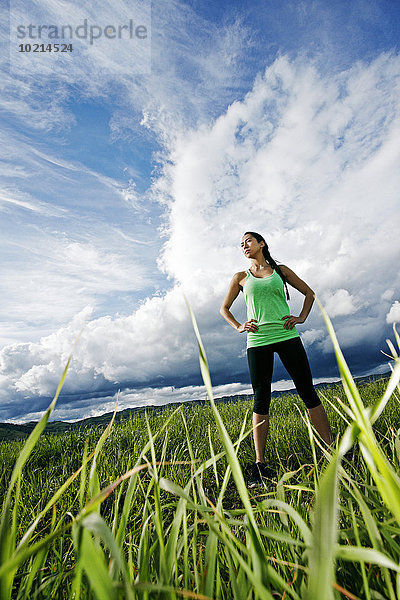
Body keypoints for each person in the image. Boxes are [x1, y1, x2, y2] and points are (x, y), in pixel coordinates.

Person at [220, 231, 332, 488]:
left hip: (286, 335)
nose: (244, 245)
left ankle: (330, 449)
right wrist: (238, 326)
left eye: (248, 240)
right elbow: (223, 308)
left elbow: (309, 293)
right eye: (241, 244)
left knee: (307, 390)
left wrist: (301, 317)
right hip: (257, 341)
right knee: (261, 398)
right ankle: (260, 464)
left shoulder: (281, 271)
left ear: (261, 244)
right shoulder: (240, 277)